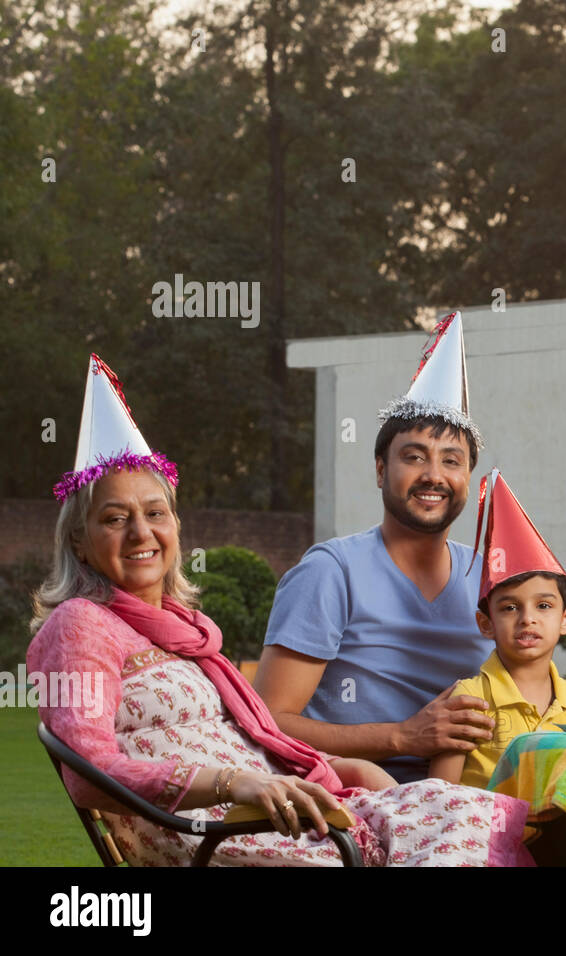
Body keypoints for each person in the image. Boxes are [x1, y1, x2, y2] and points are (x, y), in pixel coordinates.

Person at [28, 354, 532, 865]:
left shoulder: (187, 634)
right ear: (79, 541)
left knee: (477, 819)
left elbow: (254, 737)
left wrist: (343, 770)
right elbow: (89, 772)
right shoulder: (81, 625)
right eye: (115, 518)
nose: (141, 532)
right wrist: (237, 783)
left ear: (175, 527)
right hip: (225, 832)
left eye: (156, 513)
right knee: (467, 832)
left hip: (285, 812)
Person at [255, 314, 566, 782]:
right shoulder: (331, 572)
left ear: (467, 477)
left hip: (486, 794)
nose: (434, 475)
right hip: (356, 793)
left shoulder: (490, 576)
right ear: (379, 470)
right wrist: (402, 737)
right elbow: (269, 722)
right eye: (413, 457)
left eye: (451, 461)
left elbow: (525, 671)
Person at [430, 471, 566, 788]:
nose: (527, 618)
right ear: (486, 623)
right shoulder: (469, 699)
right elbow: (438, 793)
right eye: (510, 607)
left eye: (544, 606)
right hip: (484, 834)